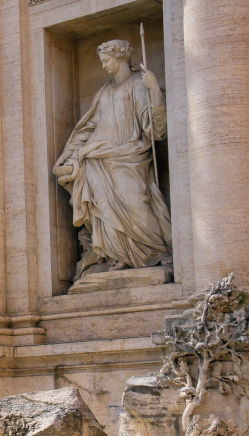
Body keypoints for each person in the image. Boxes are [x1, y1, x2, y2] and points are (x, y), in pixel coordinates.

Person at [54, 39, 171, 280]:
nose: (104, 66)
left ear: (121, 59)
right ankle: (116, 255)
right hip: (97, 159)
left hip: (129, 156)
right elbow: (89, 127)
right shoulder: (104, 91)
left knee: (136, 203)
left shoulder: (139, 85)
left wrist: (155, 91)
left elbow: (154, 129)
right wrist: (70, 155)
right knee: (103, 209)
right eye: (102, 61)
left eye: (107, 61)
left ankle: (156, 251)